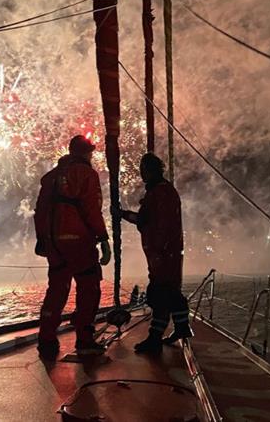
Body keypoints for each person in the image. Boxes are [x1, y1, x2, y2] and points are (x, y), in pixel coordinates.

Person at [34, 135, 112, 359]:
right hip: (79, 241)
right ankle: (85, 340)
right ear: (84, 153)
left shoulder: (50, 178)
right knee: (89, 287)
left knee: (56, 290)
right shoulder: (86, 174)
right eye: (90, 151)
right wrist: (103, 238)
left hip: (54, 243)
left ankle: (46, 340)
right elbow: (91, 208)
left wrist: (43, 240)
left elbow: (39, 212)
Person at [117, 153, 191, 353]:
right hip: (168, 252)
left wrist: (122, 214)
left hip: (162, 253)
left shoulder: (159, 193)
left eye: (144, 169)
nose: (141, 173)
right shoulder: (166, 191)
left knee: (159, 293)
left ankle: (155, 337)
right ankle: (182, 328)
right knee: (171, 291)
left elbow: (146, 221)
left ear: (150, 170)